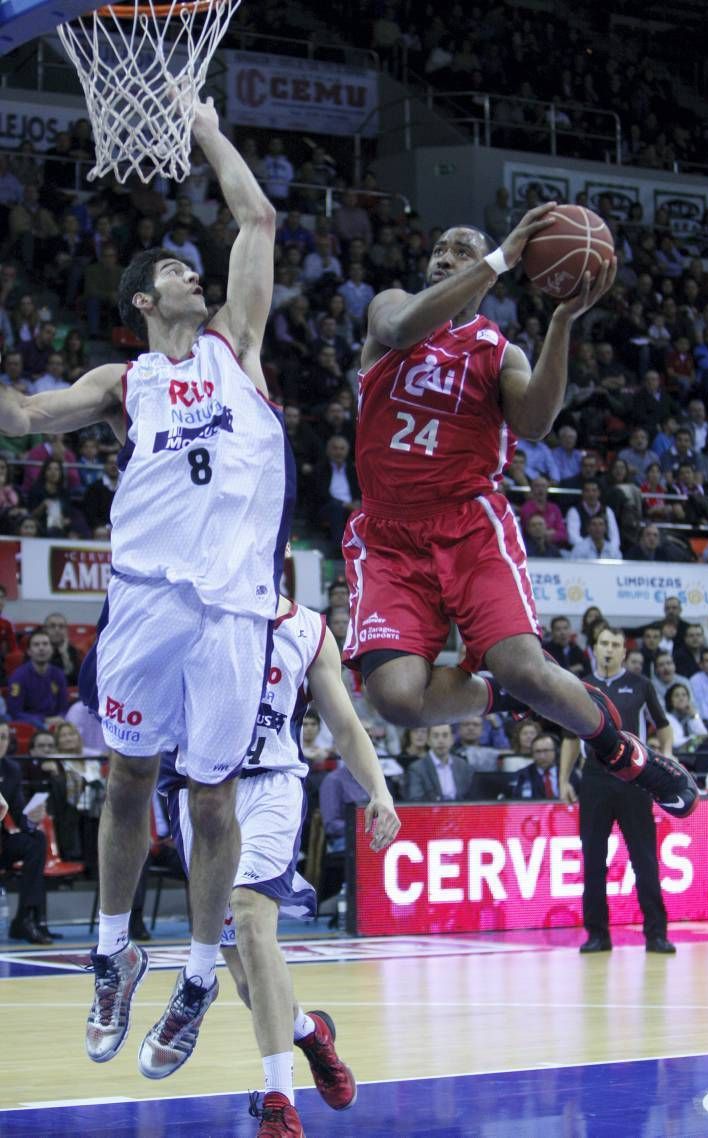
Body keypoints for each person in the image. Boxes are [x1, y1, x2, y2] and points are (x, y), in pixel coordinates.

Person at [0, 101, 294, 1072]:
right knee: (130, 777)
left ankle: (200, 977)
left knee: (210, 801)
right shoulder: (123, 383)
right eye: (172, 269)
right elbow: (28, 418)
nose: (190, 274)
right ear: (143, 300)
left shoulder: (238, 347)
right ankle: (111, 949)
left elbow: (256, 222)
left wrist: (207, 129)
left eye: (189, 268)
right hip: (144, 600)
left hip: (235, 613)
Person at [339, 210, 696, 822]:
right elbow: (399, 326)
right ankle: (498, 696)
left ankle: (620, 751)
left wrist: (562, 321)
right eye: (441, 248)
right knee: (395, 700)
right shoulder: (391, 309)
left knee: (527, 669)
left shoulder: (501, 354)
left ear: (486, 282)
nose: (445, 255)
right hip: (389, 533)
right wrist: (498, 255)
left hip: (468, 526)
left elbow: (534, 423)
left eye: (460, 250)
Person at [160, 596, 399, 1132]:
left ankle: (278, 1103)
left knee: (250, 915)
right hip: (200, 788)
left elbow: (344, 722)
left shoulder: (309, 629)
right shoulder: (192, 608)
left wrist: (379, 791)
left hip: (271, 784)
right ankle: (311, 1034)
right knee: (247, 977)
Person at [560, 627, 676, 955]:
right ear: (594, 648)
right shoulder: (578, 687)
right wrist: (563, 780)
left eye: (615, 645)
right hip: (594, 779)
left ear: (624, 652)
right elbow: (570, 737)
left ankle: (656, 934)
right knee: (593, 860)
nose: (609, 649)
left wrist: (666, 756)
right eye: (603, 644)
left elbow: (663, 726)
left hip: (634, 779)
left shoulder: (641, 685)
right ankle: (597, 935)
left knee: (645, 859)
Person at [0, 721, 52, 944]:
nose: (0, 742)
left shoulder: (11, 770)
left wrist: (31, 819)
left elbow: (21, 815)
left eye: (3, 737)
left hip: (1, 844)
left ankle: (25, 917)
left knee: (36, 839)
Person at [7, 626, 68, 726]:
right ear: (29, 651)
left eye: (45, 644)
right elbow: (15, 712)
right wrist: (43, 720)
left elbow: (63, 708)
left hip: (55, 724)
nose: (41, 648)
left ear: (52, 649)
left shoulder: (59, 675)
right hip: (30, 724)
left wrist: (60, 717)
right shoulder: (18, 677)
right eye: (36, 645)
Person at [404, 724, 474, 801]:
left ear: (452, 740)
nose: (441, 741)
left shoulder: (463, 765)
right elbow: (415, 799)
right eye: (435, 736)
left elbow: (471, 798)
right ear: (428, 740)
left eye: (445, 735)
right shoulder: (417, 768)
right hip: (431, 812)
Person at [511, 731, 561, 799]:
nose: (542, 756)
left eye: (546, 751)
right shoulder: (522, 776)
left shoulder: (569, 773)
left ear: (556, 751)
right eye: (538, 752)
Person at [44, 611, 83, 685]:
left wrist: (64, 654)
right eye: (52, 626)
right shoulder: (37, 648)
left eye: (61, 626)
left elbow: (75, 681)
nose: (57, 630)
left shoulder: (72, 651)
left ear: (66, 631)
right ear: (45, 630)